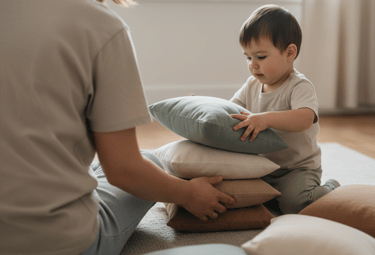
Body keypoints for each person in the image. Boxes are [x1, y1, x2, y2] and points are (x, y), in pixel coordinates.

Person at [0, 0, 236, 255]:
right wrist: (189, 194)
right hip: (52, 240)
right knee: (149, 163)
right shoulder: (99, 26)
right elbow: (124, 171)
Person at [229, 4, 340, 214]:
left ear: (289, 52)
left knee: (295, 205)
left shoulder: (299, 86)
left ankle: (331, 188)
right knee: (240, 196)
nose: (253, 64)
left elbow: (304, 118)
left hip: (297, 168)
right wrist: (202, 104)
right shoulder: (251, 85)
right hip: (261, 166)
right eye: (248, 57)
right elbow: (230, 109)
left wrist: (266, 119)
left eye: (260, 57)